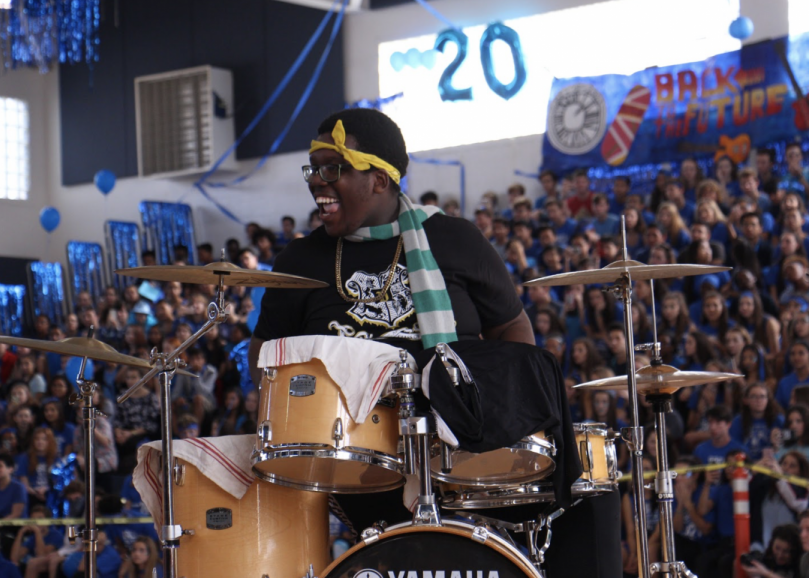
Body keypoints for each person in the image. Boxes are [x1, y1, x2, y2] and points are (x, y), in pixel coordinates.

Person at [249, 108, 617, 578]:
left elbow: (512, 335)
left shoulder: (455, 239)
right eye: (314, 169)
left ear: (379, 178)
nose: (317, 181)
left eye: (332, 168)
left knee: (592, 495)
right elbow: (264, 358)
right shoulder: (301, 258)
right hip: (356, 463)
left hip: (461, 452)